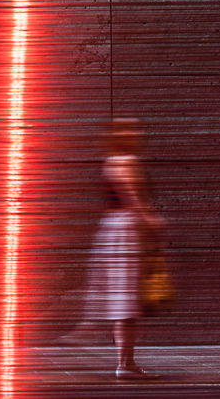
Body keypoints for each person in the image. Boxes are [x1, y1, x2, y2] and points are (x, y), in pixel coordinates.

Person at [60, 118, 162, 380]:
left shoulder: (113, 161)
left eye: (134, 128)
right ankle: (121, 360)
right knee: (127, 299)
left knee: (123, 298)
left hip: (116, 229)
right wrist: (151, 221)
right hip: (126, 230)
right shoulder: (124, 161)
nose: (132, 132)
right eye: (125, 129)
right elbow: (132, 196)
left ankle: (121, 359)